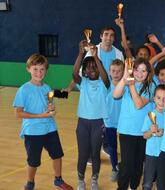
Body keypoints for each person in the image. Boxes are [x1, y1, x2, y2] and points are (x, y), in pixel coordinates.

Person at [13, 54, 73, 190]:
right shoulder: (24, 90)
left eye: (42, 70)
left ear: (46, 71)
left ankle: (58, 180)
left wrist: (51, 109)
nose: (39, 73)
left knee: (57, 155)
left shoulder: (47, 88)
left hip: (50, 128)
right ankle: (30, 183)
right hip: (33, 131)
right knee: (33, 161)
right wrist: (40, 115)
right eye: (35, 69)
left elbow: (49, 107)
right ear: (28, 69)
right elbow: (18, 113)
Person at [73, 41, 110, 190]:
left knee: (95, 153)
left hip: (98, 123)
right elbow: (74, 73)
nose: (92, 69)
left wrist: (95, 57)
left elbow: (105, 77)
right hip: (82, 123)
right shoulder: (83, 83)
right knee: (83, 154)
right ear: (85, 71)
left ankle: (94, 179)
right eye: (88, 67)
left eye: (94, 66)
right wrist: (81, 53)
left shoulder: (103, 84)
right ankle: (80, 179)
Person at [113, 58, 154, 190]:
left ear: (148, 73)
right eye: (136, 70)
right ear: (132, 70)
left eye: (143, 71)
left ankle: (133, 187)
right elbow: (115, 94)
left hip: (143, 132)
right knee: (126, 164)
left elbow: (139, 104)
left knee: (137, 164)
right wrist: (125, 77)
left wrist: (130, 85)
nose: (139, 73)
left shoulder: (150, 86)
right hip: (126, 131)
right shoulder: (127, 83)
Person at [142, 84, 165, 190]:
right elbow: (144, 135)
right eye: (158, 98)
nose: (161, 101)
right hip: (151, 153)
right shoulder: (150, 115)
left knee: (162, 182)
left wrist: (164, 132)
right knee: (147, 182)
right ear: (154, 98)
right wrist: (152, 132)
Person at [103, 59, 124, 182]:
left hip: (123, 122)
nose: (116, 73)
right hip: (109, 121)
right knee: (112, 146)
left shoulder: (125, 86)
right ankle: (114, 168)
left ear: (123, 72)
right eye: (113, 71)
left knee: (125, 147)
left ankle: (125, 167)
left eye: (119, 71)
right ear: (109, 72)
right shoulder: (106, 86)